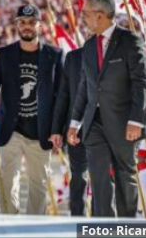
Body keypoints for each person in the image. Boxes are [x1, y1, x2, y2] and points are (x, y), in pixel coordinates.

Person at [68, 0, 146, 217]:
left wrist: (136, 120)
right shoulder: (88, 46)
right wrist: (75, 122)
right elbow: (86, 87)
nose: (82, 18)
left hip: (124, 122)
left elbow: (141, 82)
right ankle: (104, 226)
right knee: (99, 176)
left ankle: (127, 224)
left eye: (85, 14)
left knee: (124, 174)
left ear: (101, 15)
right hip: (94, 123)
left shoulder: (130, 41)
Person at [0, 4, 63, 215]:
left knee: (39, 186)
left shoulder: (55, 55)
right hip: (10, 130)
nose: (27, 27)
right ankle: (10, 226)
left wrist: (57, 129)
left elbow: (61, 96)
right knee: (7, 183)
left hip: (41, 132)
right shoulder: (3, 54)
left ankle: (34, 228)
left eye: (32, 22)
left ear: (39, 25)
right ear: (16, 25)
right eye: (22, 22)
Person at [51, 45, 89, 216]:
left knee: (101, 179)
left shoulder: (119, 54)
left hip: (105, 127)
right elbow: (64, 95)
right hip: (76, 129)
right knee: (79, 175)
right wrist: (57, 129)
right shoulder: (73, 58)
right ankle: (78, 220)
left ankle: (99, 222)